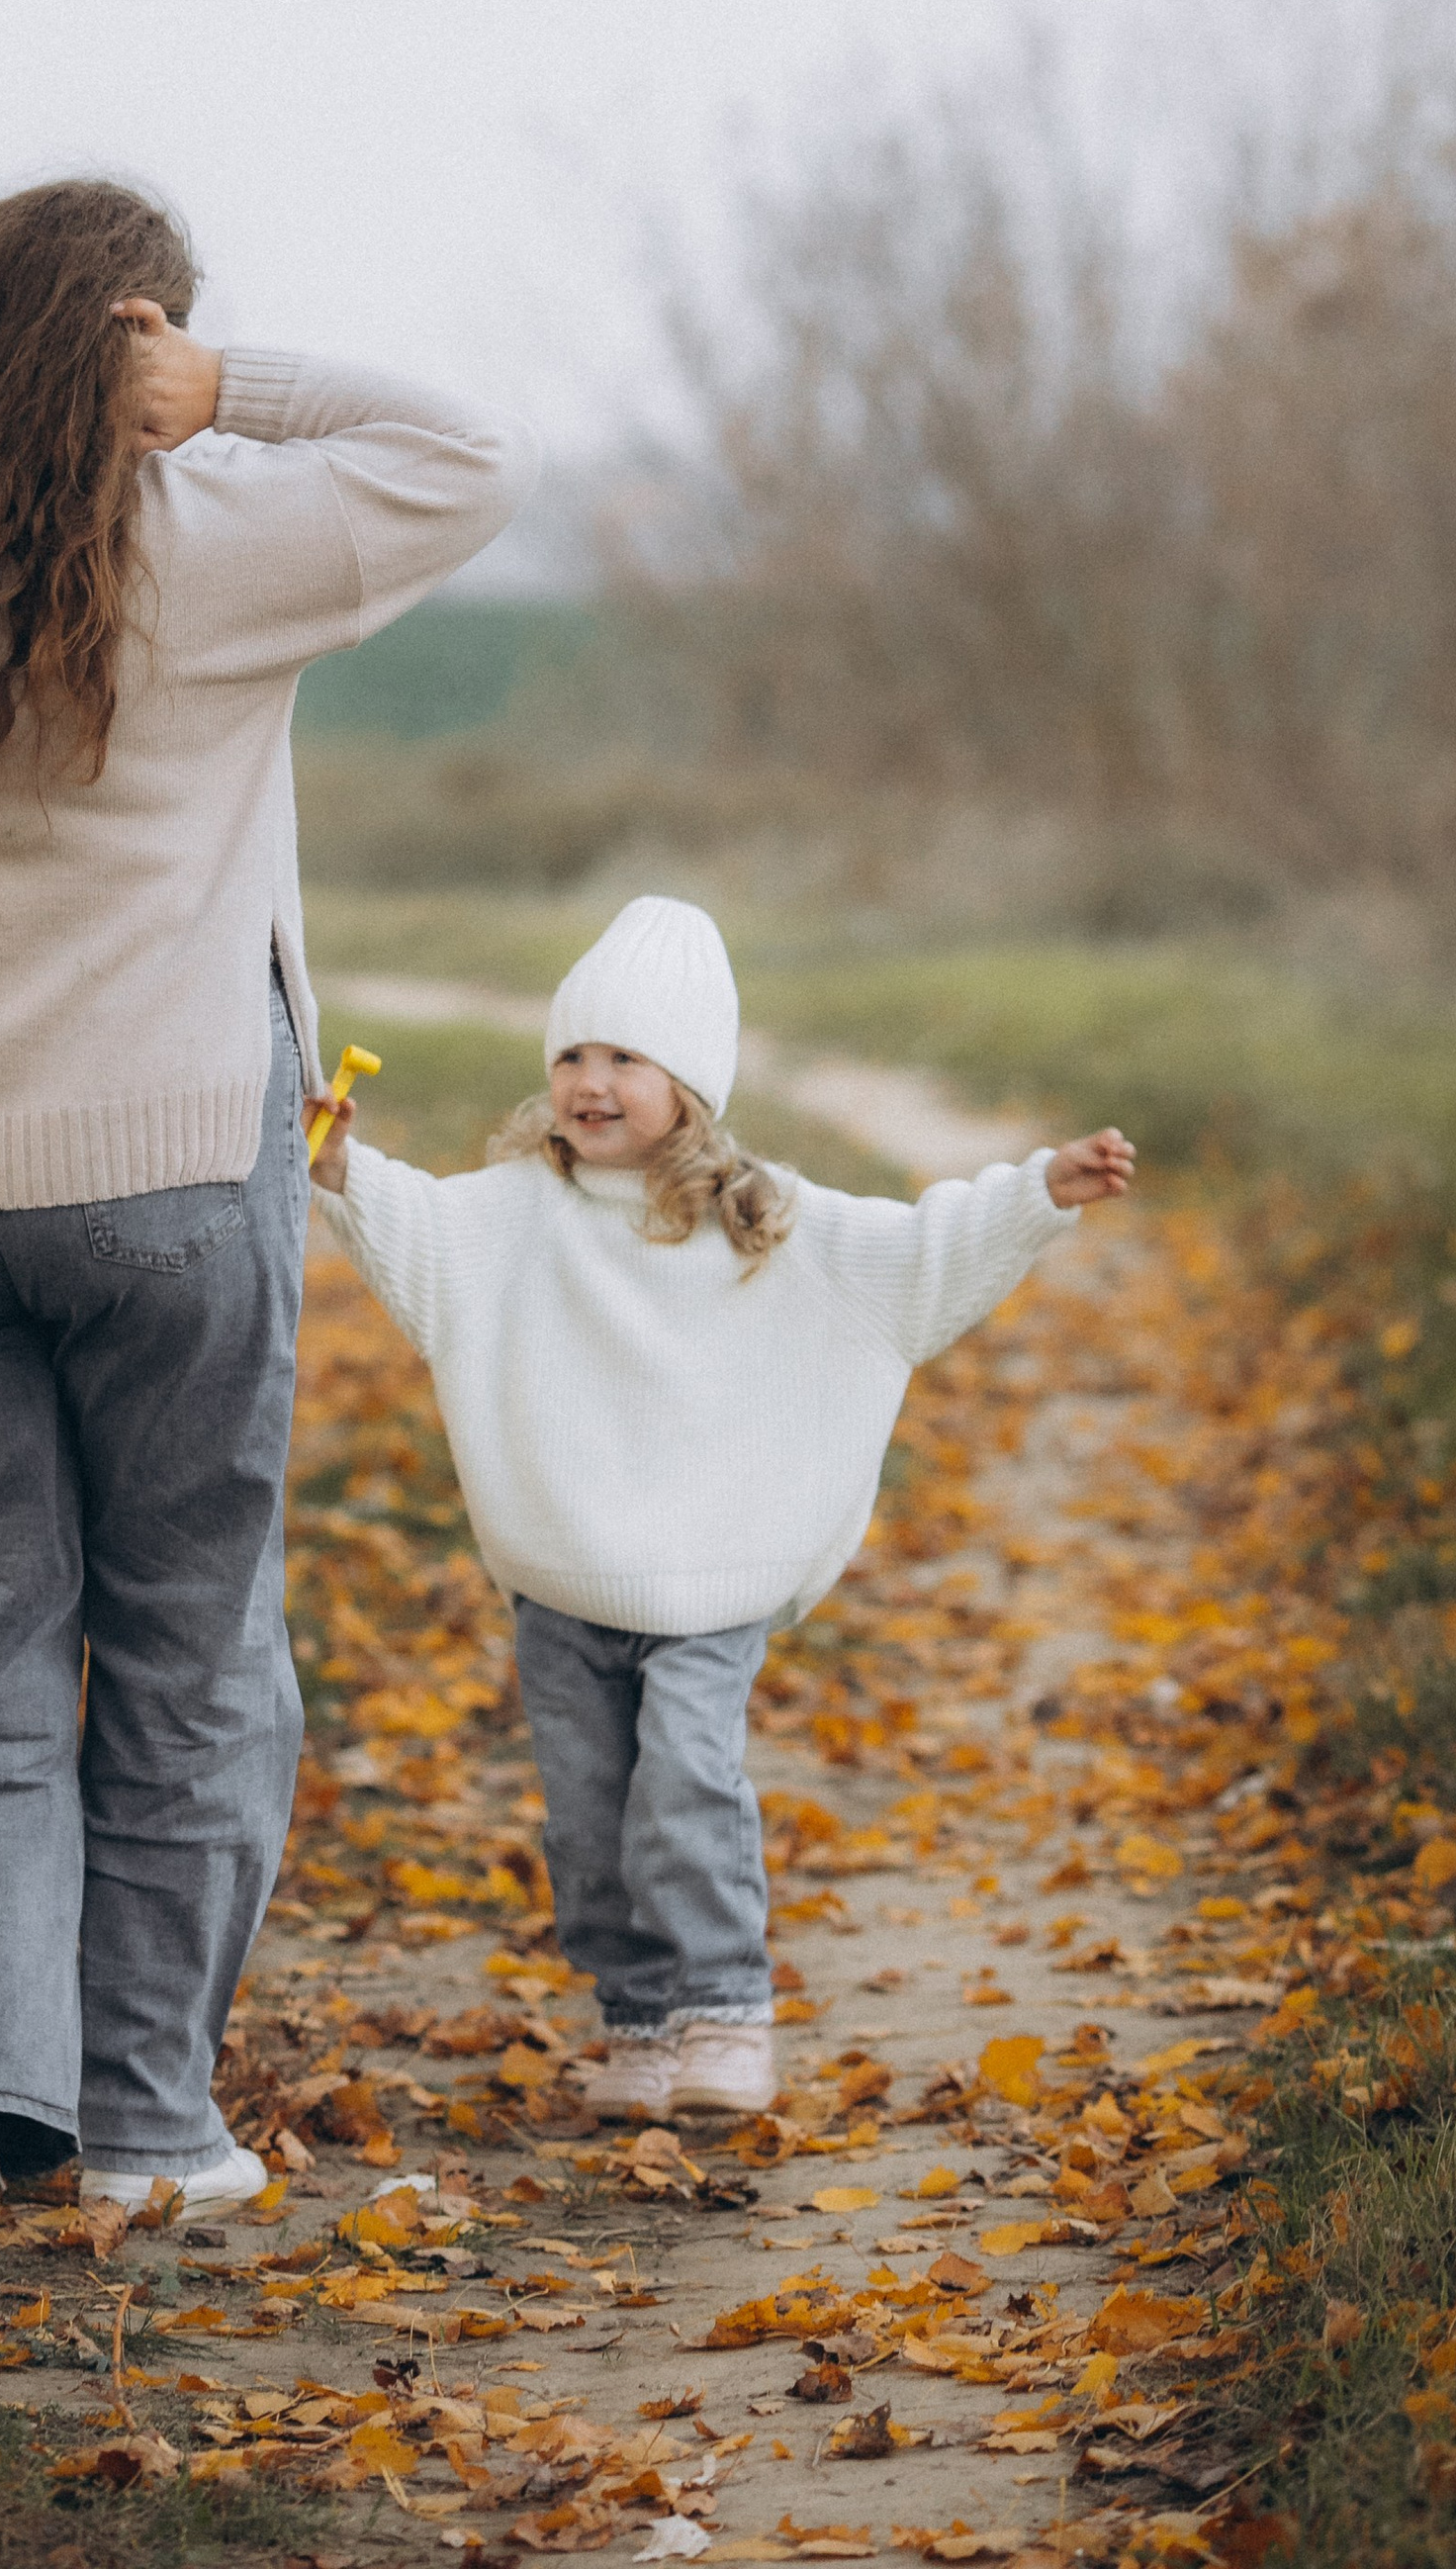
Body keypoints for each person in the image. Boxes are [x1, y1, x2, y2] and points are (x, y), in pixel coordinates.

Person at [0, 178, 534, 2223]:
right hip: (161, 1178)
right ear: (130, 339)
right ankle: (147, 2128)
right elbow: (464, 463)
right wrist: (220, 389)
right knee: (188, 1649)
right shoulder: (197, 542)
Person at [308, 893, 1134, 2122]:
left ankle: (725, 2009)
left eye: (625, 1059)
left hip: (707, 1582)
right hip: (560, 1582)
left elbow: (912, 1257)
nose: (590, 1083)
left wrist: (1036, 1193)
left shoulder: (762, 1221)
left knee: (683, 1784)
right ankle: (639, 2022)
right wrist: (332, 1165)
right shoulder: (513, 1215)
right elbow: (412, 1225)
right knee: (589, 1826)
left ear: (688, 1084)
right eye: (571, 1056)